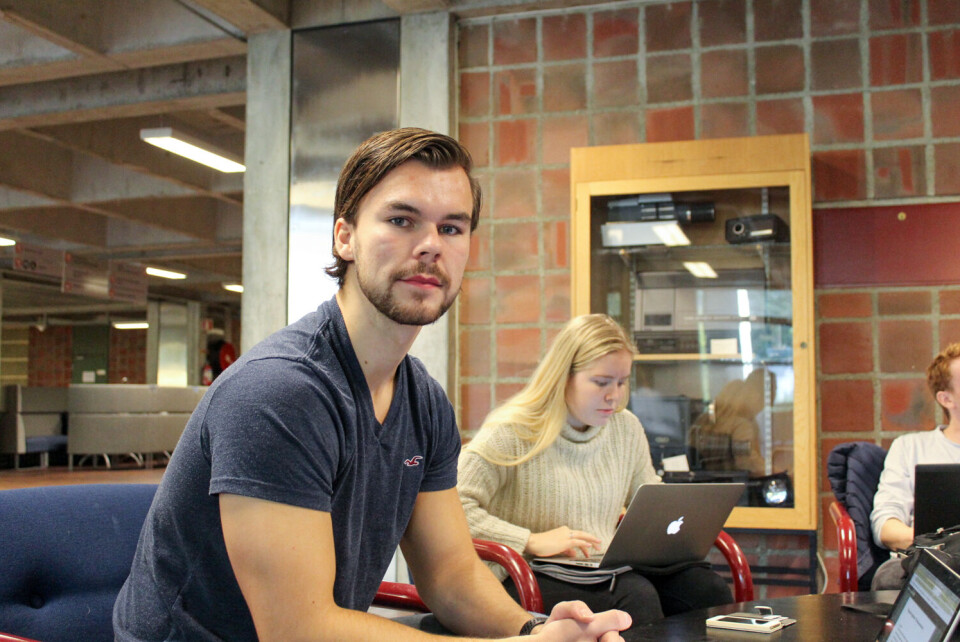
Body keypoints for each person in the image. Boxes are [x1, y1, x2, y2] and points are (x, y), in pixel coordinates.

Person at [113, 128, 630, 641]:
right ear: (346, 236)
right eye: (402, 220)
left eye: (452, 228)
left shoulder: (423, 402)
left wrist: (534, 629)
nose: (430, 246)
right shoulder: (278, 393)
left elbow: (450, 574)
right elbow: (299, 630)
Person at [457, 314, 733, 625]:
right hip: (526, 571)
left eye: (622, 381)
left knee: (705, 588)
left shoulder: (625, 428)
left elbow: (653, 501)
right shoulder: (513, 431)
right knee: (634, 598)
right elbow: (451, 507)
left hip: (600, 569)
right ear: (563, 376)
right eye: (601, 382)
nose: (614, 395)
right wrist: (530, 540)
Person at [870, 342, 960, 590]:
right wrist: (943, 545)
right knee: (888, 576)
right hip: (929, 563)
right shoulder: (910, 448)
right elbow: (886, 527)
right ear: (946, 398)